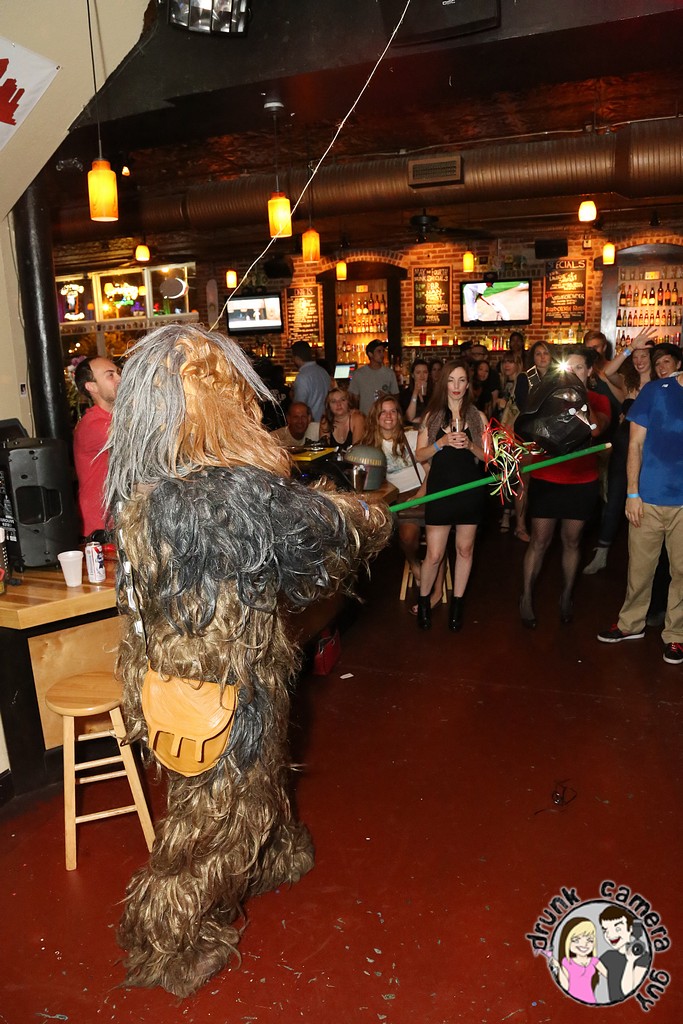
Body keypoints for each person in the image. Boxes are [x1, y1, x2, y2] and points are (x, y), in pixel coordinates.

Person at [106, 323, 391, 997]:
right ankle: (164, 940)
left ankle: (273, 853)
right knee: (214, 820)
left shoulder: (153, 488)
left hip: (198, 673)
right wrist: (365, 517)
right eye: (218, 383)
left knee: (246, 787)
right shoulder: (218, 492)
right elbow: (316, 541)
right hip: (218, 689)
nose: (238, 394)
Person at [597, 359, 683, 665]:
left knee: (682, 572)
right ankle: (630, 623)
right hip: (648, 497)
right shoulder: (656, 391)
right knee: (640, 568)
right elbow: (634, 445)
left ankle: (676, 635)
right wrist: (632, 493)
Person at [520, 347, 611, 627]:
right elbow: (528, 429)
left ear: (589, 371)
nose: (573, 373)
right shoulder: (547, 397)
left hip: (581, 481)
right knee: (539, 541)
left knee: (571, 541)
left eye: (579, 368)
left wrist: (580, 398)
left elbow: (596, 429)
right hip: (547, 478)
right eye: (568, 369)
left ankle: (567, 596)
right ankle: (526, 597)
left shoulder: (598, 399)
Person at [414, 360, 488, 632]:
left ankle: (457, 604)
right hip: (441, 490)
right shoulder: (432, 416)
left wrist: (470, 445)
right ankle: (424, 601)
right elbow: (419, 455)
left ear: (468, 385)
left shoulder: (477, 417)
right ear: (443, 383)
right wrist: (441, 443)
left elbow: (489, 458)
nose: (456, 386)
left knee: (465, 550)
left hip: (469, 490)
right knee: (434, 554)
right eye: (451, 380)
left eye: (461, 380)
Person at [583, 335, 655, 574]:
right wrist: (629, 348)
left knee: (645, 504)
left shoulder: (662, 384)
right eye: (636, 357)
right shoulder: (628, 383)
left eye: (644, 356)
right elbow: (607, 372)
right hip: (623, 447)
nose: (639, 360)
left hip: (649, 451)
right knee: (614, 499)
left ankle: (643, 559)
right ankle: (602, 552)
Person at [362, 395, 425, 580]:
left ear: (399, 415)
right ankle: (414, 562)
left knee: (438, 535)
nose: (388, 416)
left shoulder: (413, 437)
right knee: (407, 537)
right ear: (376, 416)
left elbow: (434, 468)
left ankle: (432, 567)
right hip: (397, 498)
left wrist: (421, 494)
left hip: (424, 490)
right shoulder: (370, 446)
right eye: (383, 412)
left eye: (393, 411)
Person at [72, 355, 121, 538]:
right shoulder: (93, 424)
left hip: (118, 518)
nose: (120, 378)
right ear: (91, 387)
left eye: (118, 373)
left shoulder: (115, 418)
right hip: (101, 525)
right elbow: (142, 440)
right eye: (110, 375)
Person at [495, 352, 529, 540]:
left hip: (517, 437)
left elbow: (522, 409)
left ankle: (515, 522)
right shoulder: (507, 383)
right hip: (507, 436)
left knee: (516, 479)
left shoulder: (522, 379)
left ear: (518, 363)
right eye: (504, 362)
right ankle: (508, 515)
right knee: (508, 477)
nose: (507, 365)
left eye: (511, 362)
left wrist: (505, 404)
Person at [599, 906, 651, 1002]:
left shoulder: (643, 957)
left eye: (618, 929)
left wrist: (630, 961)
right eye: (605, 930)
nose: (610, 935)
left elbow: (628, 992)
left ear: (630, 929)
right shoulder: (608, 956)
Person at [550, 917, 607, 1004]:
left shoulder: (594, 961)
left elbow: (610, 976)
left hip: (590, 1001)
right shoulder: (567, 962)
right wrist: (558, 967)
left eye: (590, 940)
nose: (584, 944)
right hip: (571, 1002)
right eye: (576, 940)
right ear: (567, 941)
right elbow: (565, 986)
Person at [349, 340, 399, 414]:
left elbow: (396, 397)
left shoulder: (389, 373)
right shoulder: (358, 374)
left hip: (384, 416)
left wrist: (387, 397)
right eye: (379, 351)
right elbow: (353, 399)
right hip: (365, 416)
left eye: (383, 351)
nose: (382, 354)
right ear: (370, 354)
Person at [290, 340, 331, 422]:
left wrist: (292, 396)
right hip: (326, 422)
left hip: (311, 423)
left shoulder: (302, 376)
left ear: (297, 358)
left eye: (293, 358)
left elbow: (299, 406)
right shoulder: (323, 371)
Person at [515, 341, 554, 410]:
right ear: (533, 357)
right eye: (538, 354)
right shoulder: (524, 377)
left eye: (546, 353)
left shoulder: (558, 377)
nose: (542, 357)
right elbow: (522, 404)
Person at [399, 358, 431, 426]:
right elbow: (409, 417)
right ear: (413, 375)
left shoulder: (434, 393)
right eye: (418, 372)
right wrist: (415, 393)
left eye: (425, 372)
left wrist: (419, 420)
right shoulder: (405, 394)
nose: (422, 376)